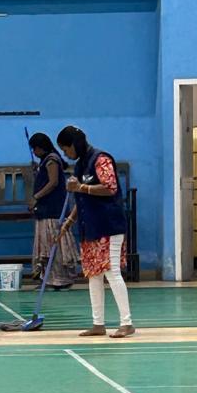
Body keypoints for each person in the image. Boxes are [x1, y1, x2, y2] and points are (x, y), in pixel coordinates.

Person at [56, 124, 135, 338]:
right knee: (94, 274)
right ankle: (98, 324)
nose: (66, 154)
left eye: (66, 149)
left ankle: (126, 323)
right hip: (90, 227)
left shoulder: (101, 159)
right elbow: (81, 198)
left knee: (112, 271)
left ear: (75, 144)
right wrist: (69, 222)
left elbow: (110, 188)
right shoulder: (81, 165)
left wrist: (80, 187)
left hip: (108, 226)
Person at [27, 132, 78, 290]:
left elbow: (53, 182)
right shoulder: (45, 161)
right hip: (46, 209)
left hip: (53, 209)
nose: (34, 152)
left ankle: (59, 279)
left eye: (34, 148)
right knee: (47, 245)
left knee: (54, 244)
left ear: (41, 148)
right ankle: (48, 279)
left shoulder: (52, 160)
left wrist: (36, 197)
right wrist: (37, 170)